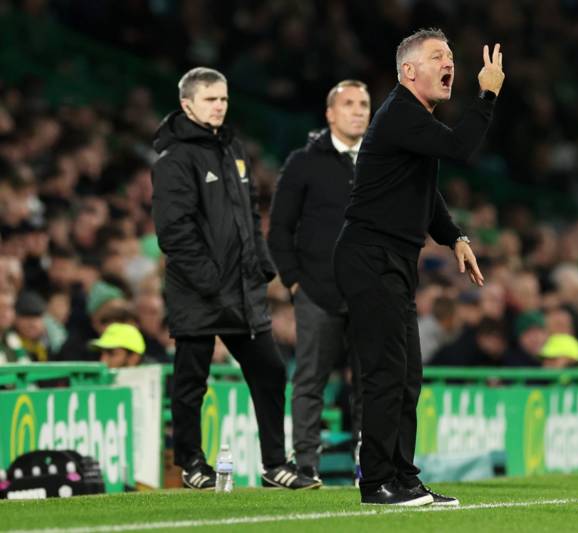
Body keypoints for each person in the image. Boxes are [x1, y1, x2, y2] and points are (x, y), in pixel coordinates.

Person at [333, 28, 504, 506]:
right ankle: (376, 483)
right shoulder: (399, 114)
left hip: (392, 259)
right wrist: (487, 94)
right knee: (386, 373)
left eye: (451, 56)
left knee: (407, 374)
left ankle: (403, 477)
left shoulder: (413, 122)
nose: (449, 64)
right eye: (437, 57)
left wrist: (455, 238)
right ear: (409, 71)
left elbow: (425, 193)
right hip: (369, 256)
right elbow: (460, 149)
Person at [151, 67, 317, 490]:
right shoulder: (174, 158)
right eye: (210, 99)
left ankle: (275, 465)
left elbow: (249, 214)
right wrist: (209, 278)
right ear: (187, 104)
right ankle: (190, 464)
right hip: (199, 292)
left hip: (242, 290)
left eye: (223, 98)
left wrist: (261, 267)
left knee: (270, 370)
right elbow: (174, 230)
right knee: (192, 380)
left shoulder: (233, 150)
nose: (220, 106)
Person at [268, 80, 370, 484]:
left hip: (367, 293)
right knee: (310, 379)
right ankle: (307, 463)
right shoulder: (303, 162)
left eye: (364, 104)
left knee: (370, 381)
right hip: (317, 292)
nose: (359, 111)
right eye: (349, 104)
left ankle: (371, 461)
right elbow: (279, 229)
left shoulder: (379, 161)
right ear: (330, 114)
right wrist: (294, 281)